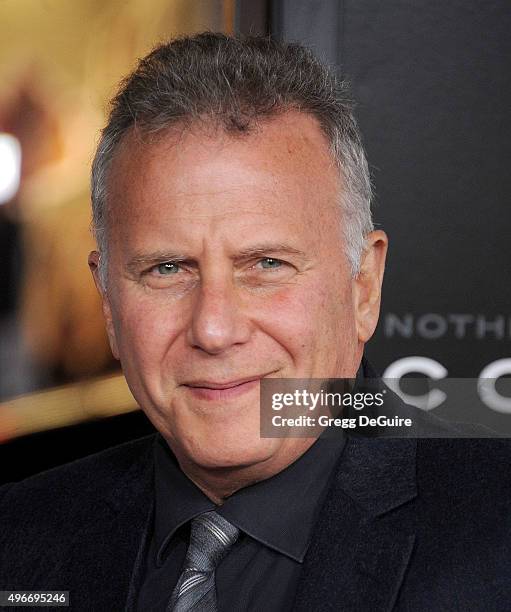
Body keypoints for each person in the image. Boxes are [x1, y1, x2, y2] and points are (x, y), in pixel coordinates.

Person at [1, 32, 510, 612]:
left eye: (267, 264)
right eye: (167, 269)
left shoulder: (498, 536)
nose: (214, 329)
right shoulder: (18, 538)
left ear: (363, 286)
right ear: (108, 302)